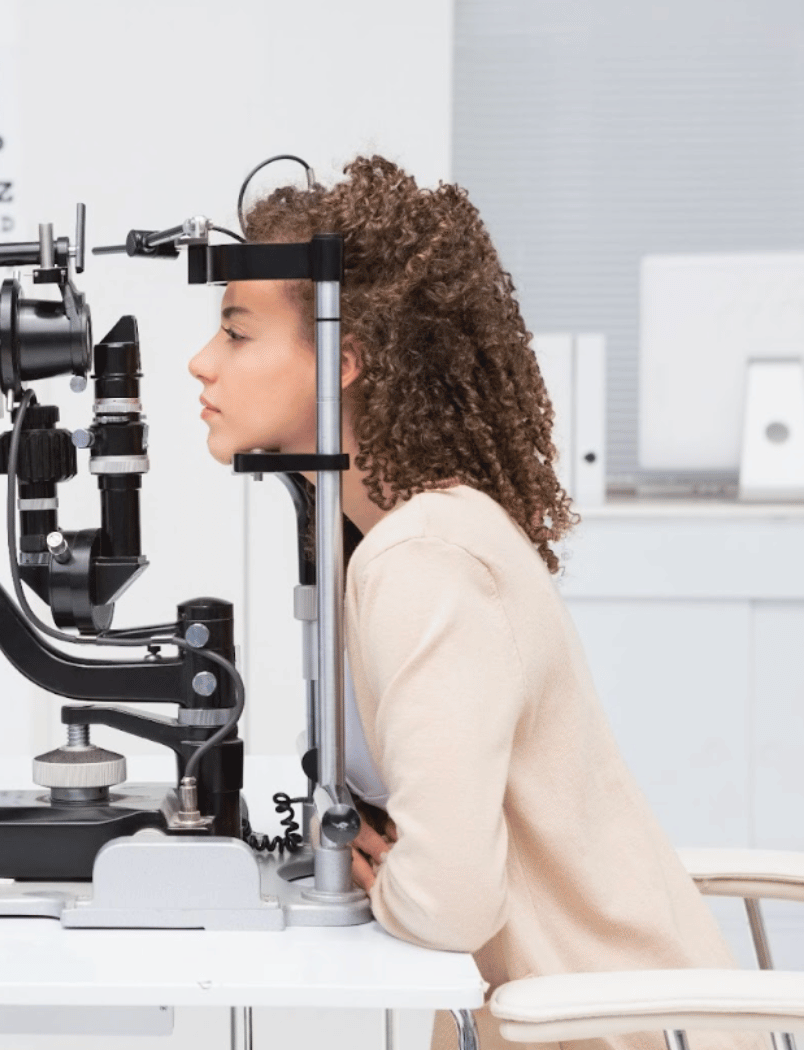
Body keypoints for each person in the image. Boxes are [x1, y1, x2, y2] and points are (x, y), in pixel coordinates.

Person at [189, 155, 747, 1050]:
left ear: (344, 360)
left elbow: (447, 902)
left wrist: (391, 876)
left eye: (238, 333)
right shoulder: (396, 535)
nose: (201, 362)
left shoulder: (423, 558)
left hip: (610, 1034)